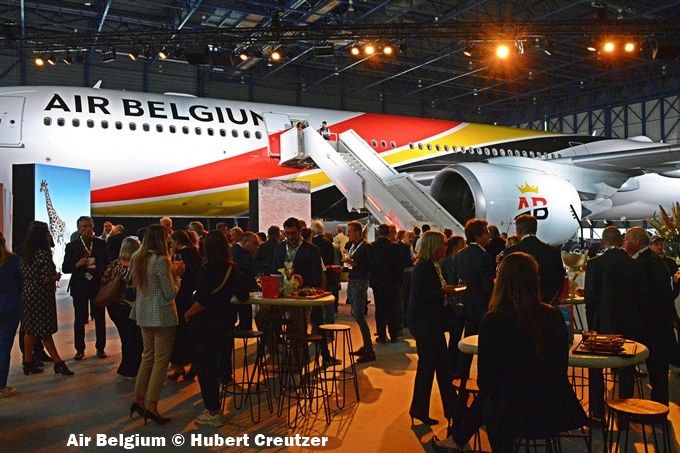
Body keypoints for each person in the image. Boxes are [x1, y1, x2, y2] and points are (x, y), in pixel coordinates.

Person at [433, 252, 588, 452]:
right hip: (551, 407)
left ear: (501, 280)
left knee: (492, 399)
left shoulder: (493, 320)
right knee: (496, 397)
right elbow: (560, 367)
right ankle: (456, 440)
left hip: (510, 414)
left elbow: (486, 381)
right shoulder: (553, 316)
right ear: (535, 279)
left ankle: (456, 441)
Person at [184, 231, 249, 427]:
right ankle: (222, 389)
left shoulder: (206, 269)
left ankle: (213, 411)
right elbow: (244, 296)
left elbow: (202, 300)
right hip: (226, 321)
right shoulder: (232, 269)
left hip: (204, 324)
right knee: (220, 359)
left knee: (206, 368)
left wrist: (188, 314)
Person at [584, 226, 646, 421]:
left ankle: (597, 412)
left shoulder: (595, 264)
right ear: (621, 242)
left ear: (603, 242)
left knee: (596, 367)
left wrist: (591, 324)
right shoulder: (633, 264)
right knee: (626, 369)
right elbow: (641, 297)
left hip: (602, 323)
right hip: (629, 323)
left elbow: (590, 299)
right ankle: (625, 415)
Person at [129, 224, 184, 425]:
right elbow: (170, 293)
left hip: (143, 313)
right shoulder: (162, 261)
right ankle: (152, 406)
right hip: (162, 315)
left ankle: (138, 400)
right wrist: (177, 276)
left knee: (147, 357)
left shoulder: (137, 257)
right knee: (161, 362)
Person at [406, 230, 458, 426]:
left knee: (435, 367)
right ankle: (450, 409)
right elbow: (419, 296)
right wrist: (443, 291)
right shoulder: (424, 267)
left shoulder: (432, 265)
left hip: (431, 323)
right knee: (433, 367)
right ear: (434, 246)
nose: (446, 247)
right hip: (426, 324)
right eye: (443, 244)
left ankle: (446, 409)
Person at [274, 217, 340, 367]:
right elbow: (275, 268)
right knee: (275, 319)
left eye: (293, 233)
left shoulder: (311, 249)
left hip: (306, 294)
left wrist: (303, 282)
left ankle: (324, 356)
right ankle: (295, 356)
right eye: (287, 233)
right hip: (284, 294)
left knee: (317, 324)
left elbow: (317, 275)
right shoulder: (279, 248)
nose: (290, 236)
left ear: (300, 232)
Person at [622, 227, 677, 406]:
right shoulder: (653, 261)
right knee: (658, 373)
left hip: (652, 326)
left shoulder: (645, 263)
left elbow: (650, 296)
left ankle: (656, 411)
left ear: (636, 242)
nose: (624, 243)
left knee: (657, 372)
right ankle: (657, 410)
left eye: (626, 239)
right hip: (657, 325)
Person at [20, 223, 73, 376]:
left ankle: (28, 362)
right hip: (41, 296)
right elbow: (47, 278)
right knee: (45, 331)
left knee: (29, 329)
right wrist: (57, 276)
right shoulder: (43, 254)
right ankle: (58, 363)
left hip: (28, 292)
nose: (49, 236)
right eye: (47, 234)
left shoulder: (25, 253)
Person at [62, 215, 109, 360]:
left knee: (100, 318)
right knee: (80, 319)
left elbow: (108, 263)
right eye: (85, 227)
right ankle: (80, 349)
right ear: (79, 229)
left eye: (90, 226)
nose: (88, 229)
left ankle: (100, 348)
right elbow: (65, 268)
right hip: (79, 287)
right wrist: (77, 265)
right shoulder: (72, 246)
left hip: (97, 286)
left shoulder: (101, 244)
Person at [102, 237, 143, 379]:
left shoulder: (114, 264)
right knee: (135, 338)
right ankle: (132, 368)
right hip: (132, 307)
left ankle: (126, 366)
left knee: (125, 337)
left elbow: (104, 280)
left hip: (114, 306)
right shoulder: (139, 265)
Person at [502, 214, 564, 304]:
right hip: (545, 303)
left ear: (518, 231)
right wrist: (550, 302)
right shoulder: (553, 251)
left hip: (517, 304)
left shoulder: (511, 251)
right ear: (536, 229)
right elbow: (560, 280)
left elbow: (506, 282)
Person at [167, 230, 202, 381]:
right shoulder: (196, 253)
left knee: (179, 334)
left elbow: (177, 275)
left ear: (177, 241)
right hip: (193, 297)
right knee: (191, 333)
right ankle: (194, 365)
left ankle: (179, 366)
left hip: (181, 296)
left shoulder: (179, 256)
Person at [343, 220, 378, 363]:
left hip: (360, 282)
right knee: (357, 315)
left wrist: (355, 263)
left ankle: (369, 350)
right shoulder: (354, 246)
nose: (348, 234)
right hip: (353, 281)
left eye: (350, 232)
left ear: (357, 232)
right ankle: (366, 346)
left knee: (359, 316)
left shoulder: (366, 247)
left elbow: (372, 265)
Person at [232, 232, 277, 331]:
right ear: (245, 242)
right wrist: (277, 271)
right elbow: (254, 266)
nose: (257, 247)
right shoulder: (239, 253)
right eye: (255, 244)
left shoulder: (237, 251)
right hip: (241, 292)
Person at [439, 235, 467, 379]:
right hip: (450, 303)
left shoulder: (461, 260)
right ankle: (452, 367)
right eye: (463, 244)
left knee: (456, 336)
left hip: (458, 302)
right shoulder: (444, 262)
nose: (465, 246)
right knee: (454, 336)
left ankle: (453, 367)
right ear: (456, 247)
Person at [371, 224, 404, 343]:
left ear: (378, 232)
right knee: (392, 309)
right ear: (389, 233)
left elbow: (371, 266)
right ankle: (393, 335)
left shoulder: (372, 246)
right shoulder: (395, 247)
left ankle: (381, 335)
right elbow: (400, 267)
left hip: (378, 283)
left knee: (380, 309)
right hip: (392, 283)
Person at [0, 231, 24, 397]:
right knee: (3, 347)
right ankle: (1, 386)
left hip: (9, 305)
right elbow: (20, 282)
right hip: (9, 307)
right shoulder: (12, 260)